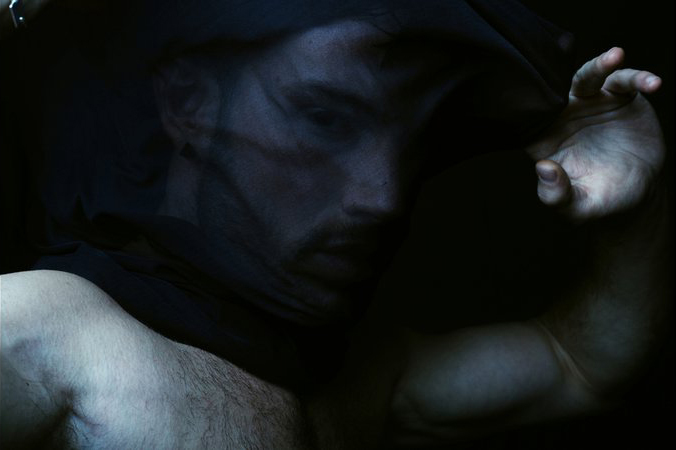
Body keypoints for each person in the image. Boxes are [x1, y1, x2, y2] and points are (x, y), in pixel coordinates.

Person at [1, 1, 671, 448]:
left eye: (404, 142)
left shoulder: (354, 375)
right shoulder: (40, 335)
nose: (383, 195)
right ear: (188, 100)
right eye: (325, 118)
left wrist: (633, 208)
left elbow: (582, 366)